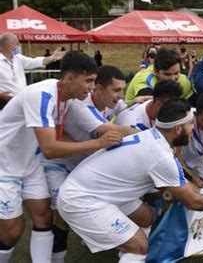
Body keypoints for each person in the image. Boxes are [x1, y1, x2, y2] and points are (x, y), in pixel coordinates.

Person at [57, 98, 203, 262]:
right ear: (177, 129)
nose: (193, 128)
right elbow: (192, 201)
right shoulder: (160, 156)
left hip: (95, 189)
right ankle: (131, 250)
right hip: (82, 199)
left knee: (146, 217)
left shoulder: (152, 135)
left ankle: (125, 248)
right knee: (140, 246)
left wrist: (192, 179)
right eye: (190, 124)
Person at [0, 51, 123, 263]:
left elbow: (103, 127)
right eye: (89, 81)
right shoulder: (41, 94)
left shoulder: (69, 99)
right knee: (12, 231)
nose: (92, 87)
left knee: (44, 218)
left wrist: (152, 132)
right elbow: (49, 148)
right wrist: (97, 144)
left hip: (29, 164)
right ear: (69, 78)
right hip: (4, 165)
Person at [40, 65, 137, 262]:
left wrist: (136, 103)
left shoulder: (113, 102)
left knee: (104, 200)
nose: (120, 95)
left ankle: (96, 236)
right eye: (116, 90)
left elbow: (127, 113)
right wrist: (157, 134)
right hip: (60, 163)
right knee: (61, 213)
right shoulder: (80, 106)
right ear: (99, 89)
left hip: (85, 163)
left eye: (123, 90)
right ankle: (57, 257)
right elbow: (115, 130)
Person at [0, 33, 66, 110]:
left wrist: (52, 57)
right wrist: (1, 96)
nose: (18, 44)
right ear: (8, 44)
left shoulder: (18, 58)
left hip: (20, 100)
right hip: (3, 102)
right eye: (15, 42)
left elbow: (35, 62)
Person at [124, 48, 193, 105]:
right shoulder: (145, 78)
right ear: (156, 71)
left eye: (176, 73)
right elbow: (147, 102)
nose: (173, 78)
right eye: (167, 74)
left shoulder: (184, 81)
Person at [116, 80, 183, 131]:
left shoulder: (154, 104)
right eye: (171, 108)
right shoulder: (131, 124)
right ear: (158, 104)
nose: (174, 112)